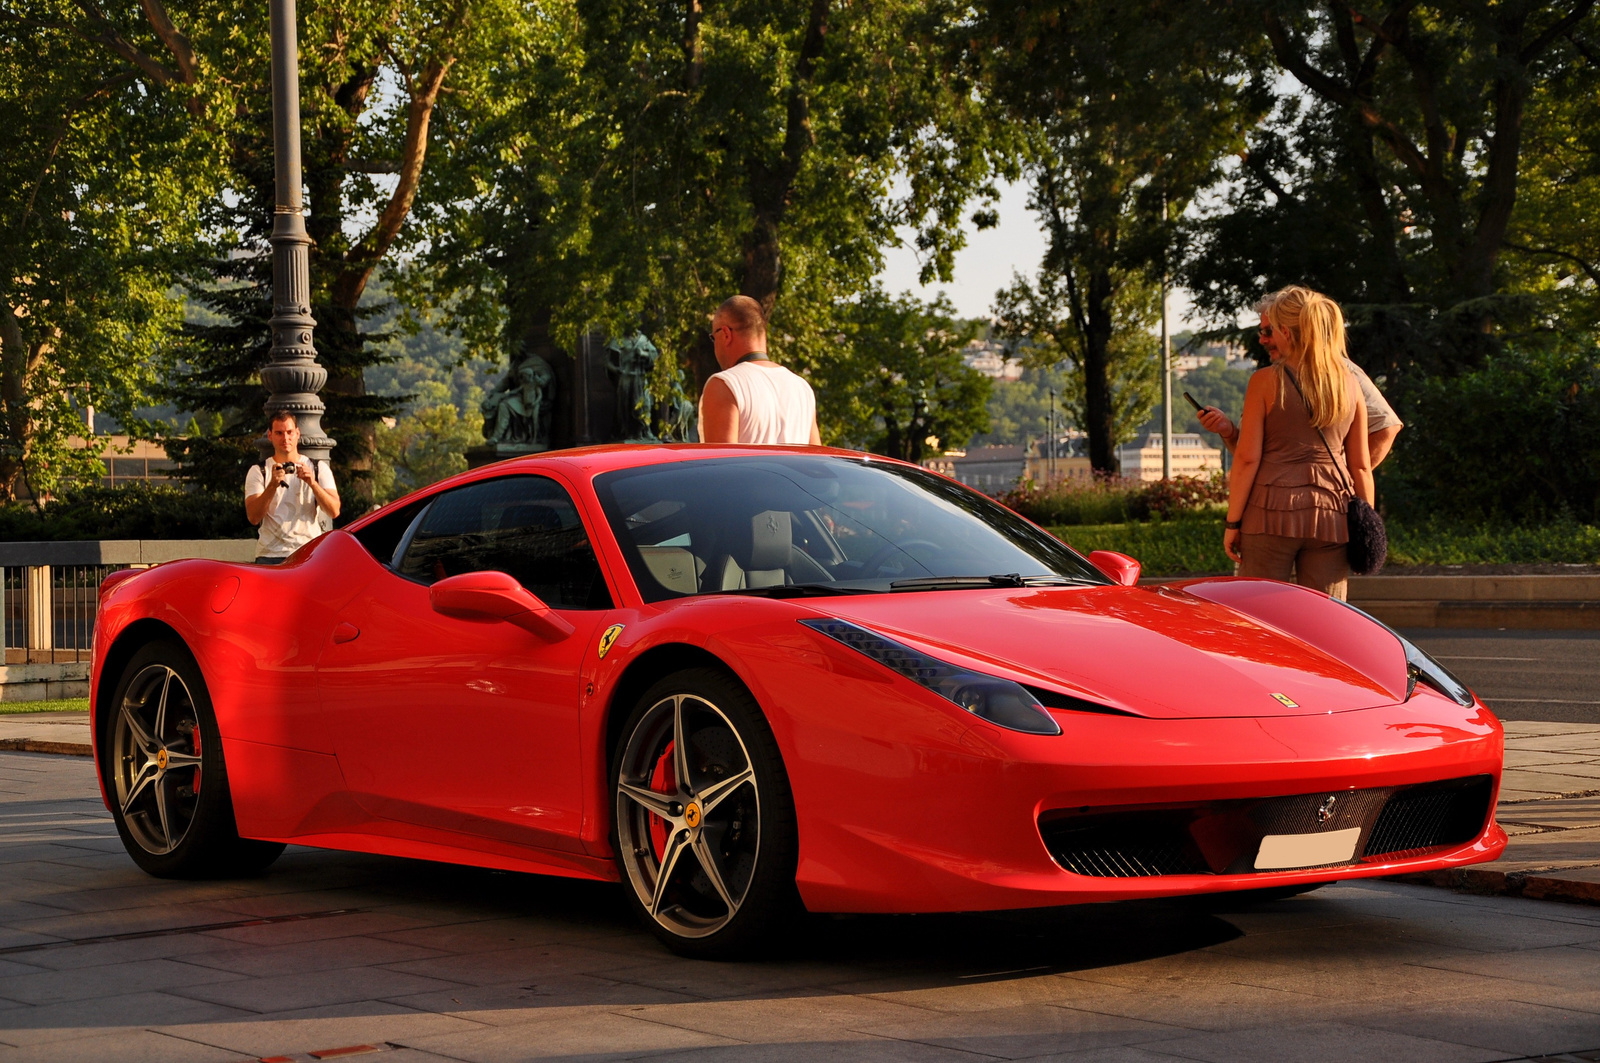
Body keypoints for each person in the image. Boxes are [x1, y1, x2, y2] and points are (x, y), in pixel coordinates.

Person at [1223, 286, 1374, 600]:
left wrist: (1232, 522)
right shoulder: (1349, 383)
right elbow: (1360, 464)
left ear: (1287, 332)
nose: (1268, 338)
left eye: (1273, 329)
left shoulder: (1265, 382)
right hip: (1332, 513)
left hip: (1268, 512)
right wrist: (1366, 522)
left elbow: (1248, 459)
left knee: (1259, 615)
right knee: (1325, 619)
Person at [1197, 335, 1403, 467]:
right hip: (1272, 507)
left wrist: (1345, 481)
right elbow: (1251, 456)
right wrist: (1230, 432)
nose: (1262, 340)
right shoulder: (1268, 378)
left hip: (1321, 510)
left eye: (1269, 331)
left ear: (1290, 331)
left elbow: (1386, 427)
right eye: (1261, 332)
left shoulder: (1339, 371)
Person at [698, 295, 821, 445]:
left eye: (713, 338)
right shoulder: (802, 388)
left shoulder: (725, 385)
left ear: (725, 334)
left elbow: (721, 464)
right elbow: (815, 459)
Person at [244, 410, 341, 564]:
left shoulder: (318, 468)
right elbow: (254, 517)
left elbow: (334, 510)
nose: (285, 438)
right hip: (270, 555)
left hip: (309, 553)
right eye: (279, 433)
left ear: (297, 433)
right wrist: (272, 486)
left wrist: (312, 483)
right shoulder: (259, 471)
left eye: (289, 432)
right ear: (270, 436)